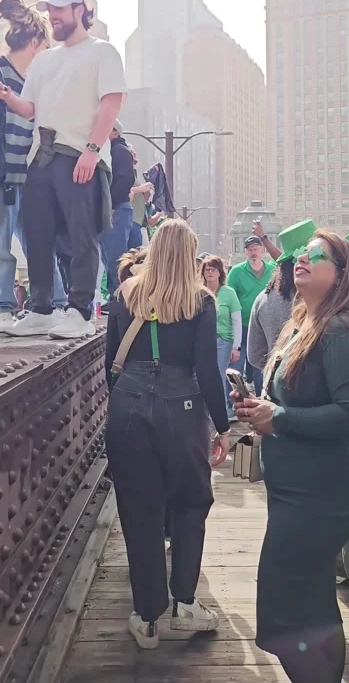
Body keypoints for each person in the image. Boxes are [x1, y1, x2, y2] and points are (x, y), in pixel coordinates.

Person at [233, 231, 349, 683]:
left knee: (288, 603)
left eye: (316, 256)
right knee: (310, 599)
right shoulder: (303, 321)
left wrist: (277, 417)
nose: (301, 258)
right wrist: (260, 406)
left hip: (324, 490)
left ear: (341, 275)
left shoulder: (341, 329)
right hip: (298, 487)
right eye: (301, 253)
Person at [105, 219, 230, 649]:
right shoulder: (201, 301)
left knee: (139, 511)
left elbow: (110, 367)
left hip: (129, 405)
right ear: (190, 255)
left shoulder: (124, 294)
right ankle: (186, 603)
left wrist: (128, 403)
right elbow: (208, 372)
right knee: (191, 502)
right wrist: (223, 426)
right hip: (185, 407)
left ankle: (146, 617)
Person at [0, 0, 127, 339]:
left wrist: (91, 149)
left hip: (78, 155)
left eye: (60, 9)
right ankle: (40, 308)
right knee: (38, 232)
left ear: (80, 10)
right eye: (50, 9)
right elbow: (30, 110)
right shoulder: (44, 61)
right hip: (42, 156)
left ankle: (80, 310)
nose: (53, 15)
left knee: (80, 235)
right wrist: (7, 94)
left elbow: (110, 103)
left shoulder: (102, 52)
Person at [0, 0, 67, 331]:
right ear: (37, 42)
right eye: (46, 47)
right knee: (3, 244)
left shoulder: (31, 84)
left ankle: (55, 304)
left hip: (30, 178)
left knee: (39, 244)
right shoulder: (3, 74)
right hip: (7, 176)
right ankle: (3, 307)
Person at [247, 220, 316, 371]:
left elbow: (254, 355)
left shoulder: (263, 300)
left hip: (274, 386)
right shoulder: (323, 297)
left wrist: (276, 370)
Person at [227, 236, 276, 396]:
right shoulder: (236, 271)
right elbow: (229, 297)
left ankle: (263, 398)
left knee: (261, 365)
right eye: (250, 250)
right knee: (237, 365)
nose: (253, 253)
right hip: (241, 326)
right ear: (245, 252)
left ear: (263, 250)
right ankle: (236, 402)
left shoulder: (273, 270)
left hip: (265, 326)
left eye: (256, 249)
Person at [201, 255, 242, 420]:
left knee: (217, 376)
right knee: (200, 376)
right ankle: (203, 413)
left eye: (213, 269)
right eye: (207, 269)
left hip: (223, 341)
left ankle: (220, 413)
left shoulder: (229, 293)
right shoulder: (198, 291)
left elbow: (236, 320)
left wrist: (236, 346)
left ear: (220, 273)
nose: (210, 272)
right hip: (202, 342)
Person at [100, 121, 135, 301]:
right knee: (109, 259)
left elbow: (125, 179)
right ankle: (116, 299)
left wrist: (110, 204)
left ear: (114, 131)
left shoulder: (119, 151)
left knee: (116, 260)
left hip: (116, 209)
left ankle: (123, 300)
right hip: (114, 208)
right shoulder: (114, 151)